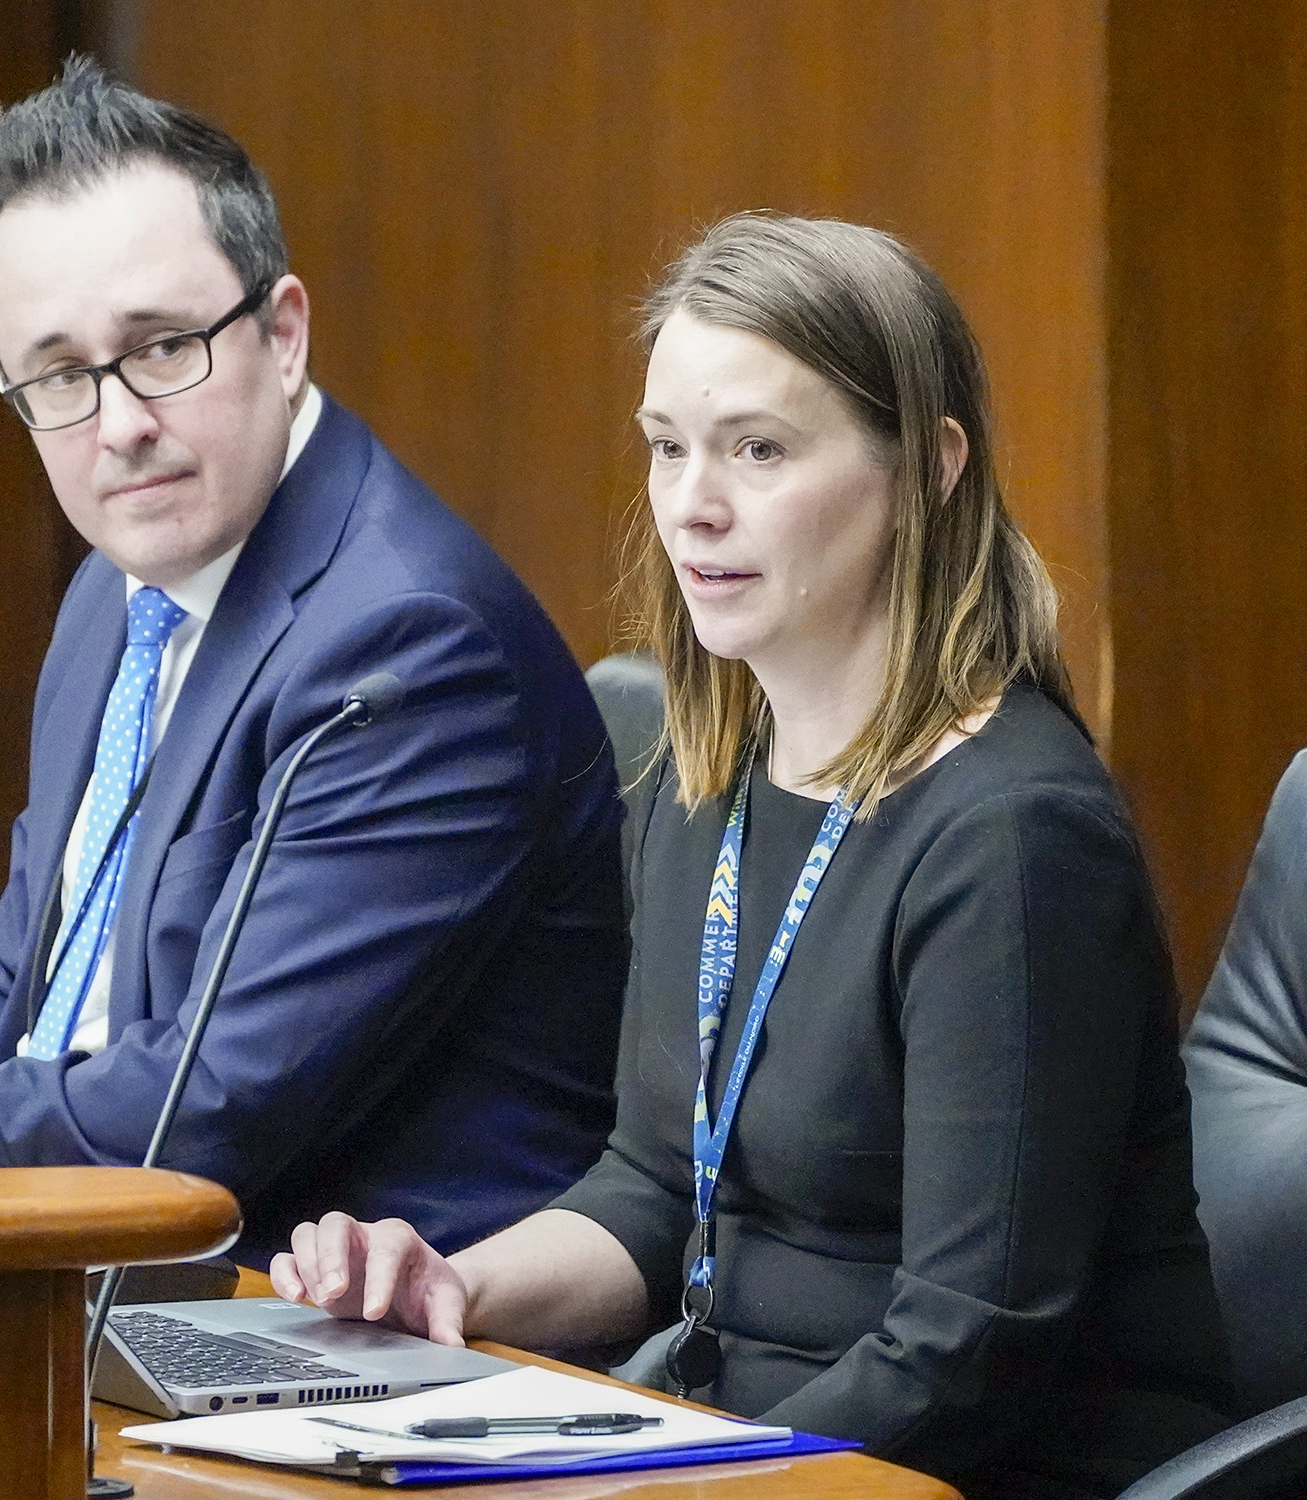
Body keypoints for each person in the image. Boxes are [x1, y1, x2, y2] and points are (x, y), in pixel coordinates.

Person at [273, 214, 1234, 1496]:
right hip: (734, 1439)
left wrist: (684, 1483)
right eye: (667, 448)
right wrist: (457, 1287)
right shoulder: (704, 770)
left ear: (931, 468)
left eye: (759, 451)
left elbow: (970, 1352)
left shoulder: (1012, 842)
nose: (692, 505)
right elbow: (662, 1184)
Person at [0, 60, 628, 1266]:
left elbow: (215, 1098)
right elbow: (31, 993)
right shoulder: (122, 589)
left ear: (282, 335)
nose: (121, 422)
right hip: (135, 1285)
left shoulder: (407, 649)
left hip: (356, 1334)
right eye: (61, 377)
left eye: (163, 348)